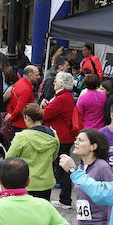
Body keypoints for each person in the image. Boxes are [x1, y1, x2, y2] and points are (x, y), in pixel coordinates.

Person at [6, 103, 59, 202]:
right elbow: (54, 156)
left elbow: (9, 158)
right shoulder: (53, 134)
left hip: (26, 182)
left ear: (27, 117)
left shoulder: (21, 137)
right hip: (46, 182)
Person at [43, 71, 78, 208]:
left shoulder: (62, 97)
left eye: (56, 81)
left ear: (62, 84)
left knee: (62, 168)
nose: (54, 83)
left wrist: (44, 105)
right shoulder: (65, 96)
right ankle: (65, 198)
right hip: (63, 136)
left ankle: (65, 199)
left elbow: (46, 114)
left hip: (61, 137)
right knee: (62, 167)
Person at [4, 65, 39, 133]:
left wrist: (10, 113)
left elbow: (11, 102)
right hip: (21, 124)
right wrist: (11, 118)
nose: (38, 77)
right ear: (30, 75)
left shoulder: (18, 83)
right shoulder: (26, 89)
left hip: (16, 122)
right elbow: (20, 109)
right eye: (36, 75)